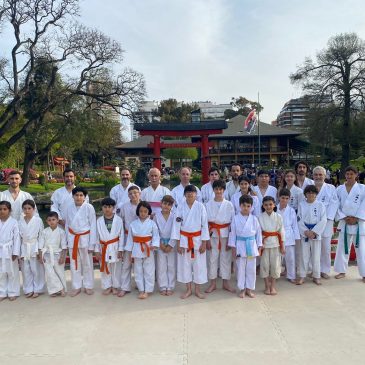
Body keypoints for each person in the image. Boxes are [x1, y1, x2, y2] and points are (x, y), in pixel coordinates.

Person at [171, 185, 209, 299]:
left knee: (199, 265)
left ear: (196, 194)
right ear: (184, 194)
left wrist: (204, 243)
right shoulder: (180, 207)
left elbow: (204, 225)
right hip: (184, 240)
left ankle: (197, 290)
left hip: (197, 239)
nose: (190, 194)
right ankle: (188, 289)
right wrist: (178, 243)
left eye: (192, 192)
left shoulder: (201, 206)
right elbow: (176, 226)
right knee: (185, 265)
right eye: (188, 192)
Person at [334, 166, 365, 282]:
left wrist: (357, 218)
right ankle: (342, 271)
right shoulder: (339, 189)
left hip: (358, 222)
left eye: (351, 174)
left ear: (356, 175)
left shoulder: (362, 188)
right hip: (345, 221)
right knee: (342, 247)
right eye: (347, 174)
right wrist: (344, 217)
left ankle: (364, 274)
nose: (349, 176)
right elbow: (335, 204)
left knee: (361, 249)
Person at [64, 187, 97, 297]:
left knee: (87, 263)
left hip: (85, 238)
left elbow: (93, 225)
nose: (78, 197)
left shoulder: (89, 207)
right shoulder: (68, 207)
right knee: (74, 264)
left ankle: (88, 286)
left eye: (81, 195)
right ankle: (76, 286)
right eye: (76, 195)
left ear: (85, 197)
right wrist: (67, 240)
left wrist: (92, 243)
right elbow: (67, 225)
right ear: (72, 196)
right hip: (73, 237)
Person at [229, 195, 262, 298]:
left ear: (251, 207)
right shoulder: (235, 218)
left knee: (251, 269)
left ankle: (249, 289)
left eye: (248, 206)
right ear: (240, 206)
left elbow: (258, 234)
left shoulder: (254, 219)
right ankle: (242, 289)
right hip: (240, 245)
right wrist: (233, 248)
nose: (246, 208)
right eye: (244, 206)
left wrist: (259, 247)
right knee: (240, 268)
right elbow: (232, 234)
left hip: (251, 245)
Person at [205, 180, 235, 294]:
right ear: (213, 190)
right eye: (216, 189)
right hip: (212, 234)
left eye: (220, 189)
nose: (218, 191)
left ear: (224, 190)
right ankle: (212, 283)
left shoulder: (229, 204)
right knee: (212, 259)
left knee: (226, 258)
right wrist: (206, 239)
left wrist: (230, 241)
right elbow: (205, 224)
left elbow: (233, 224)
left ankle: (225, 283)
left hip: (225, 234)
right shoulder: (208, 204)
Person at [125, 201, 160, 299]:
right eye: (141, 211)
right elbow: (130, 239)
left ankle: (148, 290)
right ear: (138, 212)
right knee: (138, 270)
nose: (143, 213)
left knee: (149, 270)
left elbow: (156, 236)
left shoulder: (152, 223)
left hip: (148, 248)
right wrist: (129, 251)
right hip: (136, 248)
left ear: (149, 212)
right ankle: (141, 289)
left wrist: (154, 244)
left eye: (145, 211)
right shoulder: (133, 224)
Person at [297, 185, 327, 285]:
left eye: (313, 193)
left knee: (316, 255)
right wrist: (305, 231)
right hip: (305, 233)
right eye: (309, 192)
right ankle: (302, 276)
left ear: (316, 194)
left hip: (315, 233)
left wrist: (314, 232)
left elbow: (323, 220)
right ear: (305, 194)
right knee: (304, 255)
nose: (311, 194)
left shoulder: (320, 205)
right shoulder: (301, 204)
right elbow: (299, 219)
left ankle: (316, 276)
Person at [312, 166, 339, 279]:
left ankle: (324, 270)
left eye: (320, 174)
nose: (318, 177)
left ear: (324, 176)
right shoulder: (309, 187)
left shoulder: (331, 188)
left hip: (326, 221)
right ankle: (313, 270)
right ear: (313, 176)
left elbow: (334, 203)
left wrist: (326, 218)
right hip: (312, 222)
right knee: (312, 247)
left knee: (325, 247)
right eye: (316, 175)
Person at [95, 197, 124, 295]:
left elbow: (122, 236)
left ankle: (115, 286)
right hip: (103, 246)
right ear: (102, 208)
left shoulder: (119, 220)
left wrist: (120, 250)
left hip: (115, 246)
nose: (107, 209)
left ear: (113, 208)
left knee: (116, 268)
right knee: (105, 266)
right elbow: (96, 236)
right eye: (105, 207)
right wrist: (97, 250)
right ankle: (107, 286)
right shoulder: (99, 221)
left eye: (109, 207)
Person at [258, 196, 285, 295]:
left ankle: (273, 286)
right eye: (266, 205)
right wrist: (259, 245)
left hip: (276, 243)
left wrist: (283, 246)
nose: (268, 206)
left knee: (275, 265)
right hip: (264, 244)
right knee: (264, 265)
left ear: (274, 205)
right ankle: (266, 285)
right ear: (263, 206)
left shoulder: (278, 217)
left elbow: (282, 231)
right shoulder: (260, 217)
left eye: (270, 204)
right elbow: (258, 232)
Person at [19, 199, 45, 298]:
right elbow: (19, 237)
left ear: (34, 209)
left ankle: (38, 288)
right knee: (26, 270)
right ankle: (28, 289)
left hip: (34, 246)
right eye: (25, 208)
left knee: (36, 269)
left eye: (29, 208)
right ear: (22, 210)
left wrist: (40, 250)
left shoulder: (38, 220)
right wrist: (19, 251)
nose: (27, 210)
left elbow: (41, 236)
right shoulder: (20, 221)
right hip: (24, 246)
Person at [118, 185, 141, 297]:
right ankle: (124, 287)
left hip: (141, 239)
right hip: (127, 237)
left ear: (139, 194)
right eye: (131, 193)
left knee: (140, 263)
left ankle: (140, 284)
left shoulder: (144, 205)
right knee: (126, 263)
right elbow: (120, 222)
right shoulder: (124, 207)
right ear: (128, 195)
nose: (133, 195)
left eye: (135, 193)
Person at [39, 211, 67, 297]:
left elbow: (64, 247)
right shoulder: (44, 232)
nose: (51, 221)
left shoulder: (61, 232)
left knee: (59, 272)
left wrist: (63, 257)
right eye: (49, 220)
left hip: (57, 254)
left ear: (58, 220)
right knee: (50, 273)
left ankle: (63, 289)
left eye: (53, 219)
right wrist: (40, 256)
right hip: (46, 254)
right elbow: (40, 246)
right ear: (46, 221)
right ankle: (55, 290)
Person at [154, 195, 176, 296]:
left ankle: (170, 286)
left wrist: (171, 245)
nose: (166, 206)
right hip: (160, 244)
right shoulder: (156, 216)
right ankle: (163, 286)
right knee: (161, 266)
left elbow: (175, 232)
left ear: (172, 206)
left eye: (169, 204)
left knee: (171, 266)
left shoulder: (175, 216)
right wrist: (160, 244)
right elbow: (154, 232)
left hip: (172, 244)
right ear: (161, 203)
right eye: (164, 203)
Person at [277, 189, 300, 283]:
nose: (284, 200)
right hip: (276, 235)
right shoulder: (274, 209)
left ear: (289, 199)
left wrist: (297, 238)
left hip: (289, 235)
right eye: (283, 198)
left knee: (290, 258)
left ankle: (291, 276)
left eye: (287, 198)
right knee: (277, 258)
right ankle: (275, 275)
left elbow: (295, 225)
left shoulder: (291, 211)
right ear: (279, 198)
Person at [0, 201, 21, 301]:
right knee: (1, 273)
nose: (2, 211)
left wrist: (15, 252)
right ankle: (2, 292)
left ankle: (13, 291)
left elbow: (17, 238)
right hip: (1, 249)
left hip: (10, 250)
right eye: (0, 209)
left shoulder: (14, 222)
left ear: (9, 210)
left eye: (5, 209)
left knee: (12, 272)